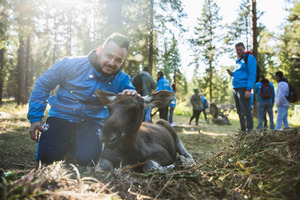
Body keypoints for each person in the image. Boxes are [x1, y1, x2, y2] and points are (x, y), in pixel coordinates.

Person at [27, 33, 138, 166]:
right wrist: (35, 118)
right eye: (108, 56)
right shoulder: (70, 64)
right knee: (46, 160)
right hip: (61, 117)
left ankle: (77, 145)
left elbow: (131, 95)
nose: (111, 63)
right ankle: (65, 142)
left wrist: (130, 94)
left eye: (118, 60)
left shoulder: (122, 79)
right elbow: (43, 84)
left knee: (89, 161)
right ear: (99, 51)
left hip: (91, 122)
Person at [227, 42, 256, 133]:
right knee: (239, 111)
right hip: (236, 88)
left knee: (246, 110)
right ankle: (243, 131)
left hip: (244, 88)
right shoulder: (238, 60)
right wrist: (233, 74)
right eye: (237, 50)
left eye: (240, 49)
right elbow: (241, 73)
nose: (239, 51)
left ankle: (249, 131)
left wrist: (248, 89)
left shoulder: (249, 58)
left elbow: (252, 74)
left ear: (244, 48)